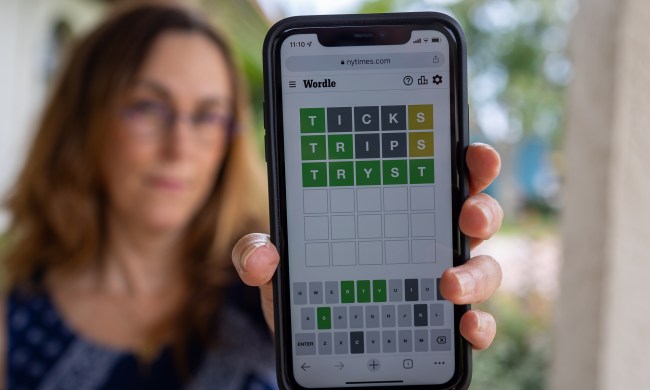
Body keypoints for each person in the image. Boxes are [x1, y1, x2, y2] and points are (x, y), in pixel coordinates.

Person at [0, 3, 503, 389]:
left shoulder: (274, 284)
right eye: (149, 107)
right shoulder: (10, 318)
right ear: (82, 119)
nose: (181, 147)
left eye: (208, 114)